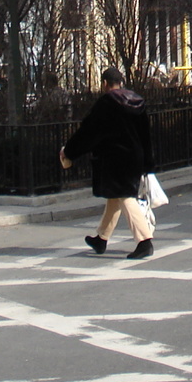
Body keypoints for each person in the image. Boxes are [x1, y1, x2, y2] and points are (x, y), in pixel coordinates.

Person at [60, 66, 157, 260]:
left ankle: (144, 241)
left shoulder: (106, 103)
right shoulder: (138, 101)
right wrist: (148, 162)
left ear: (105, 83)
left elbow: (89, 132)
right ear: (120, 81)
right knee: (115, 198)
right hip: (135, 156)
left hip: (115, 158)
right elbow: (146, 134)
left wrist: (69, 151)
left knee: (125, 197)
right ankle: (101, 238)